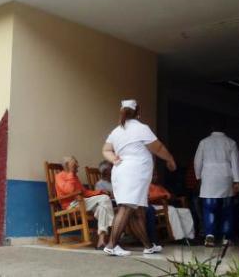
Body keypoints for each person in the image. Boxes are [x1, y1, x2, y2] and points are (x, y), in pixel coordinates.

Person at [102, 99, 176, 256]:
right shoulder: (141, 128)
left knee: (137, 211)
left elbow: (106, 150)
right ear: (138, 114)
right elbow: (159, 148)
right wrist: (170, 159)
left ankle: (148, 246)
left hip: (122, 171)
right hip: (134, 173)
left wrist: (113, 158)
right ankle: (111, 245)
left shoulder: (117, 130)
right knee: (127, 207)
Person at [194, 120, 239, 247]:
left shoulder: (204, 142)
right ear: (224, 129)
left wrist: (198, 176)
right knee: (227, 209)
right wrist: (237, 180)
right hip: (226, 177)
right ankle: (226, 237)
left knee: (209, 208)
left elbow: (197, 161)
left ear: (211, 128)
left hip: (209, 178)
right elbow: (235, 163)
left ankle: (210, 235)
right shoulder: (231, 142)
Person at [55, 156, 114, 249]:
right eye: (75, 163)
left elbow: (84, 192)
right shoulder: (59, 176)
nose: (78, 165)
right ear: (67, 165)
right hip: (71, 205)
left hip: (82, 201)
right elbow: (69, 191)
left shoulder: (75, 177)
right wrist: (71, 173)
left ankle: (101, 241)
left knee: (101, 208)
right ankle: (113, 226)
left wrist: (100, 192)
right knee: (104, 199)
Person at [148, 172, 195, 241]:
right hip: (154, 206)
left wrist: (170, 196)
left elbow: (169, 195)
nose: (156, 177)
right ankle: (179, 237)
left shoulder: (159, 186)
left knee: (185, 211)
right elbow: (149, 198)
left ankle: (189, 236)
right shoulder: (148, 186)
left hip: (164, 205)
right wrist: (162, 196)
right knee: (172, 210)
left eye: (156, 175)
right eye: (154, 176)